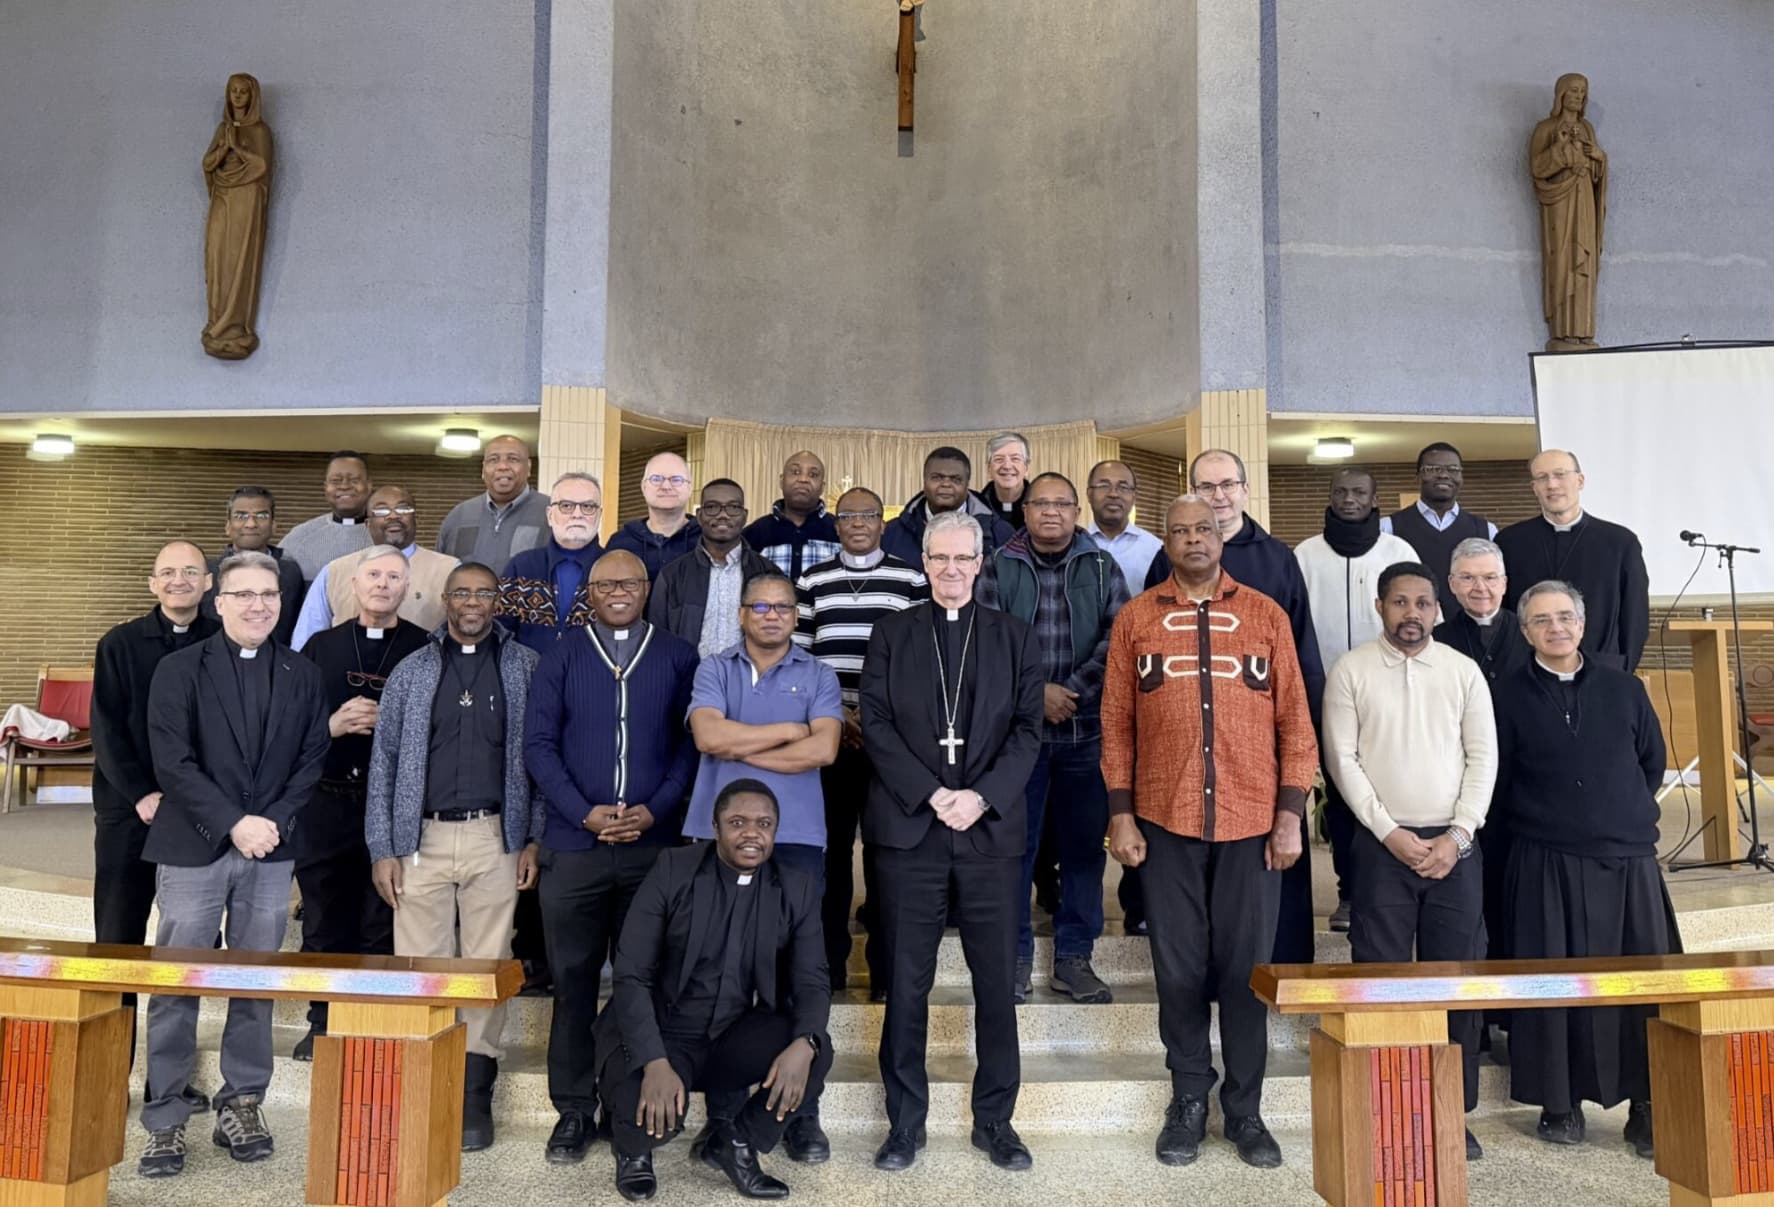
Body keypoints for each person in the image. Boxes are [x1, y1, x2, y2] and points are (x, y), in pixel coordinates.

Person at [1103, 496, 1316, 1170]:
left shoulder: (1265, 614)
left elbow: (1294, 724)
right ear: (1163, 541)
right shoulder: (1136, 620)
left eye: (1204, 528)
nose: (1193, 539)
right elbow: (1116, 723)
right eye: (1179, 530)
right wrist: (1120, 810)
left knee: (1243, 971)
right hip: (1164, 822)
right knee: (1179, 971)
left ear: (1222, 534)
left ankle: (1246, 1110)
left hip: (1253, 822)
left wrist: (1290, 812)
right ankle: (1189, 1099)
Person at [861, 509, 1044, 1173]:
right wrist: (933, 793)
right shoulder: (892, 632)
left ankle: (996, 1119)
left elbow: (1028, 729)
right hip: (912, 831)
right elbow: (874, 721)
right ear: (925, 562)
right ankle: (905, 1124)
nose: (952, 570)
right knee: (906, 984)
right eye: (940, 558)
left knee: (996, 984)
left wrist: (980, 796)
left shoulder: (1015, 636)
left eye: (964, 558)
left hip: (990, 832)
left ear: (981, 561)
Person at [137, 551, 330, 1178]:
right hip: (195, 847)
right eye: (243, 594)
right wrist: (233, 823)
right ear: (219, 602)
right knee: (177, 984)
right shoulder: (178, 668)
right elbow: (172, 761)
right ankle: (165, 1116)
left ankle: (243, 1100)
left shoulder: (302, 673)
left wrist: (267, 823)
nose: (257, 605)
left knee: (255, 981)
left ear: (281, 601)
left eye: (268, 594)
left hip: (270, 850)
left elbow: (311, 759)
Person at [523, 549, 701, 1165]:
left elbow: (689, 745)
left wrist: (656, 808)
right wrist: (583, 812)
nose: (617, 591)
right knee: (571, 984)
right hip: (575, 849)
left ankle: (629, 1112)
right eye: (605, 584)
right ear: (588, 595)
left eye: (628, 582)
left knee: (641, 986)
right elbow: (539, 745)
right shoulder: (562, 656)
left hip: (653, 849)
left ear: (646, 587)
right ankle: (572, 1110)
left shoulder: (678, 655)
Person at [364, 563, 544, 1152]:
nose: (472, 602)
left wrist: (533, 837)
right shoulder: (413, 671)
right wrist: (383, 847)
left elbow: (539, 760)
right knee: (421, 965)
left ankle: (472, 1091)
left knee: (486, 964)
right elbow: (385, 763)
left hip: (497, 835)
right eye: (462, 592)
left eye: (483, 593)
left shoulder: (523, 667)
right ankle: (423, 1078)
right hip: (422, 841)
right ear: (445, 600)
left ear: (497, 600)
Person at [1494, 580, 1676, 1159]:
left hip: (1626, 861)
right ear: (1525, 632)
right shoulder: (1507, 694)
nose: (1556, 628)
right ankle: (1559, 1101)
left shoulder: (1625, 689)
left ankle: (1646, 1105)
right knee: (1554, 985)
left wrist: (1612, 816)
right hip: (1546, 856)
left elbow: (1651, 761)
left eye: (1565, 617)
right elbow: (1499, 778)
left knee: (1642, 988)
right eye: (1542, 620)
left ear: (1583, 622)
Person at [1321, 561, 1497, 1161]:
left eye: (1423, 603)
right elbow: (1343, 761)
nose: (1412, 614)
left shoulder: (1462, 671)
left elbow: (1483, 759)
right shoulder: (1351, 671)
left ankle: (1452, 1109)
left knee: (1456, 980)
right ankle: (1388, 1106)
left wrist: (1458, 835)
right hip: (1381, 846)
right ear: (1381, 607)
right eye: (1400, 603)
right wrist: (1388, 830)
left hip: (1456, 848)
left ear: (1438, 611)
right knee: (1383, 981)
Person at [595, 780, 834, 1203]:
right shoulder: (674, 869)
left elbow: (813, 980)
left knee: (814, 1048)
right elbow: (631, 974)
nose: (751, 834)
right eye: (737, 822)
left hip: (730, 1035)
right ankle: (633, 1153)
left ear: (775, 830)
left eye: (764, 824)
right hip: (663, 1030)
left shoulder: (793, 887)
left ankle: (737, 1144)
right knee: (655, 1116)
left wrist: (805, 1041)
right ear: (715, 826)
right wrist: (653, 1060)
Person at [1142, 451, 1326, 964]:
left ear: (1245, 490)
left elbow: (1301, 653)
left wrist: (1305, 742)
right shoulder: (1170, 557)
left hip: (1260, 755)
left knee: (1271, 866)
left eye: (1227, 485)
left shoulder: (1277, 558)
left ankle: (1280, 965)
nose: (1218, 495)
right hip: (1187, 754)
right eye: (1207, 486)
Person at [684, 571, 842, 1163]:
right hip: (715, 837)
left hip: (796, 839)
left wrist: (740, 741)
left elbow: (824, 750)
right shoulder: (714, 668)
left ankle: (801, 1115)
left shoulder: (819, 674)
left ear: (795, 616)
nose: (771, 615)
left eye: (782, 607)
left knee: (798, 973)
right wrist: (786, 733)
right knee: (716, 974)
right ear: (742, 614)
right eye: (760, 606)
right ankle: (721, 1118)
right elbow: (707, 736)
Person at [977, 472, 1128, 1004]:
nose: (1051, 513)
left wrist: (1071, 694)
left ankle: (1074, 957)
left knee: (1085, 851)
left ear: (1076, 509)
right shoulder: (997, 566)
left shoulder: (1103, 566)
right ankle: (1015, 958)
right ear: (1025, 509)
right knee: (1014, 849)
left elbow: (1119, 640)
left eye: (1062, 504)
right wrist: (1035, 693)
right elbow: (985, 640)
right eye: (1040, 503)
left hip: (1085, 734)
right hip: (1016, 737)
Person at [91, 540, 220, 1107]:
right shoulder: (119, 644)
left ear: (208, 582)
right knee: (118, 942)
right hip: (130, 812)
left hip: (198, 818)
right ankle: (108, 1075)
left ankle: (167, 1079)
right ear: (152, 583)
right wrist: (143, 793)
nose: (178, 581)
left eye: (190, 572)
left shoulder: (224, 642)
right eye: (167, 573)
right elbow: (107, 731)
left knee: (182, 951)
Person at [290, 545, 428, 1060]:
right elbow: (290, 724)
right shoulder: (320, 648)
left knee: (381, 916)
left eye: (394, 576)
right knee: (324, 916)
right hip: (326, 802)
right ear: (354, 582)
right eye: (374, 574)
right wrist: (332, 725)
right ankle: (322, 1018)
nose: (383, 585)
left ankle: (370, 1016)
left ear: (407, 587)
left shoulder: (422, 648)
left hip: (389, 805)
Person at [794, 486, 929, 995]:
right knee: (827, 858)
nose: (857, 523)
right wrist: (836, 715)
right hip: (828, 738)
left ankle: (884, 972)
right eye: (847, 515)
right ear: (836, 524)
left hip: (889, 742)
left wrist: (872, 719)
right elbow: (802, 659)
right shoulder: (813, 580)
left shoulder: (910, 577)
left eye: (867, 515)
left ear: (881, 522)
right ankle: (827, 968)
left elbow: (919, 661)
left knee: (885, 856)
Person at [1293, 467, 1418, 930]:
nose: (1350, 499)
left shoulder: (1397, 552)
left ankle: (1387, 889)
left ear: (1374, 499)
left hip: (1387, 694)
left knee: (1388, 791)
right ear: (1329, 496)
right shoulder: (1306, 555)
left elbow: (1418, 617)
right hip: (1324, 695)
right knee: (1343, 798)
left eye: (1359, 492)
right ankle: (1349, 893)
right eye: (1341, 491)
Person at [1435, 537, 1531, 985]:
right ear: (1452, 585)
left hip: (1522, 790)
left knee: (1519, 902)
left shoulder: (1531, 633)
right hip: (1459, 792)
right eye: (1469, 578)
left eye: (1490, 578)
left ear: (1505, 582)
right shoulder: (1437, 641)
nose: (1480, 588)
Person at [1496, 450, 1649, 672]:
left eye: (1560, 474)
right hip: (1528, 673)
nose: (1552, 484)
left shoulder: (1619, 542)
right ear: (1534, 488)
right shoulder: (1510, 542)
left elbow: (1635, 616)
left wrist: (1624, 669)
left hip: (1603, 669)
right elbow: (1504, 614)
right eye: (1542, 478)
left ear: (1580, 481)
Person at [290, 486, 459, 651]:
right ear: (367, 524)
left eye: (403, 509)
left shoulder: (450, 570)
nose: (393, 516)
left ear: (417, 518)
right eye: (381, 511)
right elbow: (305, 640)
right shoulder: (334, 570)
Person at [649, 480, 774, 657]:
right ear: (699, 515)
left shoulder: (768, 574)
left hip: (752, 682)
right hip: (690, 682)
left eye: (733, 507)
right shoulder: (672, 576)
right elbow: (657, 642)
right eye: (712, 507)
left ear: (745, 516)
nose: (723, 515)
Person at [1380, 443, 1498, 619]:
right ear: (1418, 476)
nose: (1443, 475)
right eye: (1433, 468)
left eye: (1453, 469)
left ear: (1461, 477)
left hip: (1470, 634)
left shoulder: (1486, 530)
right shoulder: (1388, 528)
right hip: (1412, 629)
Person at [497, 471, 606, 653]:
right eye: (566, 506)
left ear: (599, 515)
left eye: (588, 506)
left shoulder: (615, 570)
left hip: (594, 679)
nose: (577, 514)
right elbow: (500, 633)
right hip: (530, 679)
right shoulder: (521, 568)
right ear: (549, 515)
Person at [200, 486, 306, 646]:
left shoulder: (290, 572)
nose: (250, 523)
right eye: (240, 515)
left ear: (274, 525)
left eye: (261, 515)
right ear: (228, 526)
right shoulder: (207, 572)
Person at [880, 446, 1015, 565]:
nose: (946, 484)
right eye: (937, 477)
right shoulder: (892, 532)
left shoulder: (1001, 533)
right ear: (924, 481)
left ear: (967, 484)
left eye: (956, 479)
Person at [436, 435, 551, 567]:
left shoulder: (551, 513)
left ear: (529, 467)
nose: (502, 466)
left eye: (513, 459)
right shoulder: (459, 515)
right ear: (483, 470)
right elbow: (442, 570)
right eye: (493, 460)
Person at [743, 450, 841, 580]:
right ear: (781, 481)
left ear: (822, 487)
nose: (803, 479)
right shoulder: (755, 532)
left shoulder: (839, 531)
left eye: (813, 474)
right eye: (795, 472)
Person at [279, 452, 373, 581]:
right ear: (326, 488)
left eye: (354, 480)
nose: (345, 486)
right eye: (336, 481)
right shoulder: (299, 537)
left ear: (368, 486)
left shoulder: (387, 534)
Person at [609, 451, 702, 581]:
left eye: (676, 480)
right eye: (656, 479)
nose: (666, 486)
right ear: (643, 487)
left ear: (689, 487)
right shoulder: (621, 543)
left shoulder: (706, 540)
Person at [1085, 459, 1163, 590]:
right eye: (1104, 485)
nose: (1114, 494)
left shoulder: (1155, 549)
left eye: (1123, 487)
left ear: (1134, 496)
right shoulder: (1073, 546)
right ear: (1089, 494)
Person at [973, 432, 1032, 532]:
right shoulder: (975, 508)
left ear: (1026, 468)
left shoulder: (1040, 507)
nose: (1007, 466)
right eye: (999, 459)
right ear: (989, 469)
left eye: (1015, 459)